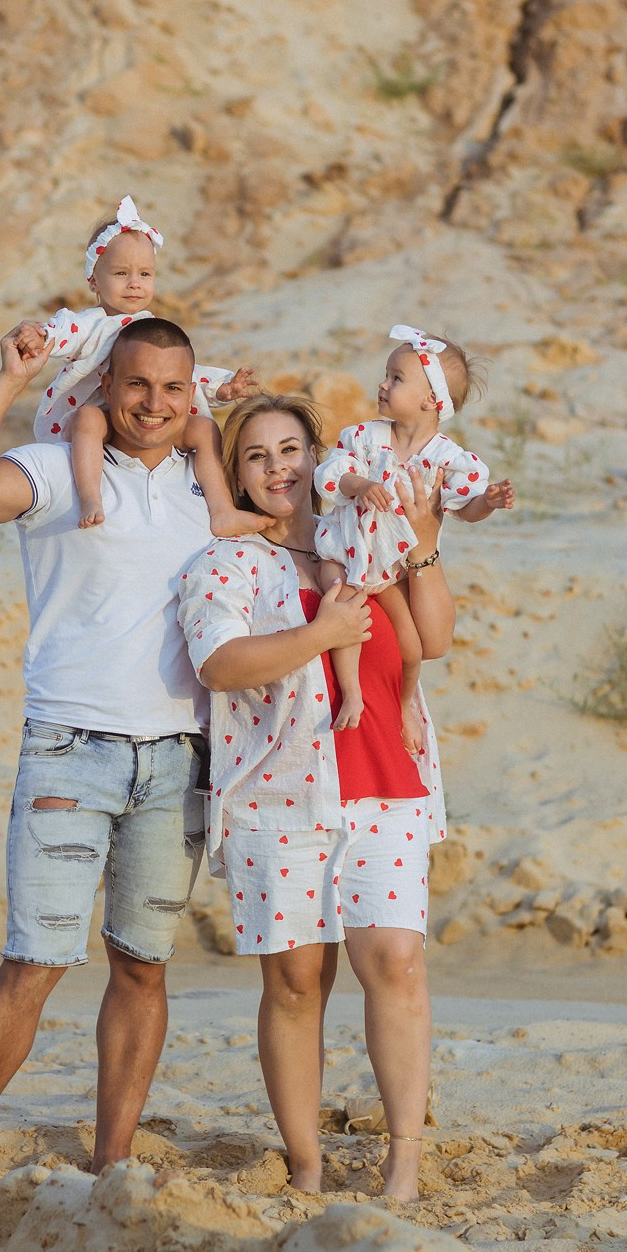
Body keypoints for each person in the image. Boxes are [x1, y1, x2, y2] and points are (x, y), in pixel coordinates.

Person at [0, 312, 231, 1199]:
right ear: (106, 385)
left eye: (175, 387)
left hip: (179, 759)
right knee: (37, 959)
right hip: (69, 751)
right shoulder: (59, 468)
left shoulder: (207, 492)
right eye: (137, 384)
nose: (154, 404)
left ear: (192, 391)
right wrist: (11, 378)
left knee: (141, 964)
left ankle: (114, 1159)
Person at [175, 393, 498, 1202]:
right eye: (257, 455)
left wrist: (423, 547)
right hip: (278, 800)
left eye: (292, 448)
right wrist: (318, 636)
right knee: (293, 985)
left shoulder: (360, 528)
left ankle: (404, 1161)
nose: (279, 466)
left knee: (395, 960)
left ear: (320, 458)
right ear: (238, 475)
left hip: (386, 781)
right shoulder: (225, 561)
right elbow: (219, 663)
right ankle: (309, 1163)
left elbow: (436, 636)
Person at [313, 325, 510, 747]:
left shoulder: (446, 460)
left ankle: (405, 706)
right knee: (344, 609)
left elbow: (464, 508)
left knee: (413, 648)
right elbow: (331, 475)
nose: (382, 384)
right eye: (386, 374)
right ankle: (352, 694)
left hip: (391, 567)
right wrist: (361, 486)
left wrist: (488, 502)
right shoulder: (365, 438)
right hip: (346, 552)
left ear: (430, 400)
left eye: (396, 378)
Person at [34, 195, 269, 536]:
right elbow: (62, 331)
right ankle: (90, 498)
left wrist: (222, 387)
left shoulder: (151, 326)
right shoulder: (91, 324)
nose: (134, 283)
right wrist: (39, 335)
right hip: (103, 418)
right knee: (87, 420)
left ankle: (222, 509)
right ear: (93, 281)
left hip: (149, 419)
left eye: (145, 273)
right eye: (120, 273)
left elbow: (177, 375)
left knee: (203, 429)